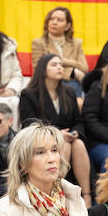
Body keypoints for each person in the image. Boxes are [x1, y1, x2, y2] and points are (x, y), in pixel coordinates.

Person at [19, 53, 92, 199]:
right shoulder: (29, 94)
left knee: (78, 143)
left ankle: (87, 195)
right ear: (43, 69)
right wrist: (56, 135)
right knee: (65, 145)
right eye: (54, 65)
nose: (59, 67)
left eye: (60, 64)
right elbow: (29, 124)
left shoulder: (69, 91)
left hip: (69, 139)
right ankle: (54, 191)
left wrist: (76, 132)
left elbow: (78, 121)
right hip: (41, 142)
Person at [30, 6, 87, 88]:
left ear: (67, 26)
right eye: (52, 19)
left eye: (59, 20)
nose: (54, 22)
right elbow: (40, 68)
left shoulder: (76, 43)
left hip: (72, 84)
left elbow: (84, 68)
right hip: (46, 84)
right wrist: (72, 72)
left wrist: (63, 61)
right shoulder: (38, 43)